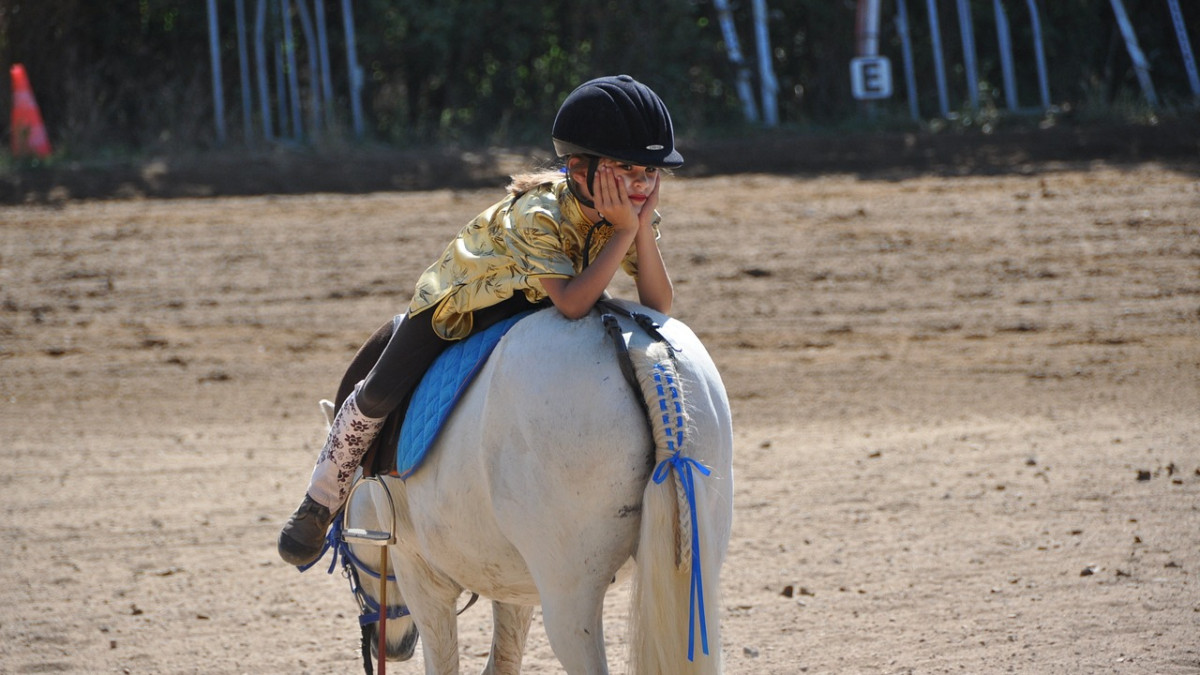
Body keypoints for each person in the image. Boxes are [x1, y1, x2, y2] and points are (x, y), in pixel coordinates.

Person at [278, 74, 685, 566]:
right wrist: (624, 231)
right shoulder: (540, 213)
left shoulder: (630, 210)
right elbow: (573, 304)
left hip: (533, 301)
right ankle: (321, 500)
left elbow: (658, 303)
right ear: (579, 168)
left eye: (650, 171)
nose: (641, 183)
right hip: (458, 302)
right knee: (380, 391)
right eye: (626, 168)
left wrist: (636, 228)